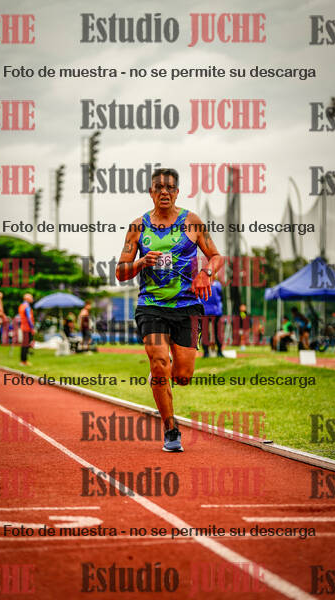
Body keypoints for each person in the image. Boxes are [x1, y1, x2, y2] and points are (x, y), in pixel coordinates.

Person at [116, 168, 223, 452]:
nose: (164, 191)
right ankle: (170, 429)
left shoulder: (192, 222)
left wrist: (206, 274)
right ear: (151, 192)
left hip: (187, 306)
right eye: (158, 187)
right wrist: (140, 263)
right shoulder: (138, 227)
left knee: (183, 376)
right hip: (151, 306)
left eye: (170, 187)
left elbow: (216, 256)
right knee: (160, 362)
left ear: (177, 192)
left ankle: (160, 373)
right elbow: (120, 272)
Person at [200, 279, 224, 357]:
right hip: (205, 312)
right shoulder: (201, 283)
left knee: (218, 332)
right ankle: (206, 352)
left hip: (216, 312)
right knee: (205, 333)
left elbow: (221, 297)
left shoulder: (217, 284)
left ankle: (219, 351)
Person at [18, 294, 35, 366]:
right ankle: (23, 361)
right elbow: (29, 318)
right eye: (31, 297)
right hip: (27, 327)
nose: (32, 299)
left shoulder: (21, 306)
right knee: (25, 344)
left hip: (23, 326)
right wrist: (32, 327)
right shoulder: (26, 306)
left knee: (25, 343)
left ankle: (24, 360)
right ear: (27, 299)